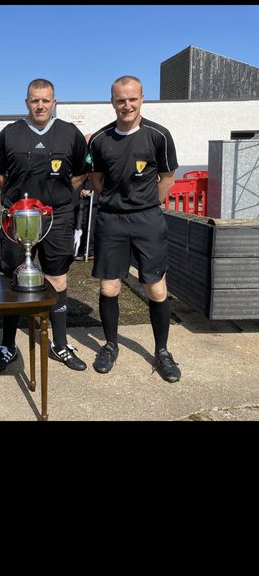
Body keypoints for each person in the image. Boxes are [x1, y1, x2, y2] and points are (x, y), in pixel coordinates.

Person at [0, 79, 91, 374]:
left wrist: (56, 201)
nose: (40, 105)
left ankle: (59, 344)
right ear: (26, 102)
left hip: (57, 218)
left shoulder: (69, 133)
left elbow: (80, 174)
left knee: (57, 278)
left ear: (54, 101)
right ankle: (7, 345)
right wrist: (22, 204)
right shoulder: (9, 134)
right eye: (35, 100)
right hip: (18, 217)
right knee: (11, 280)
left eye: (46, 100)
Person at [88, 75, 181, 382]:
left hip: (147, 220)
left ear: (142, 99)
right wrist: (116, 203)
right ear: (112, 101)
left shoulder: (159, 135)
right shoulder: (100, 139)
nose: (126, 105)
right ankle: (111, 345)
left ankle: (162, 351)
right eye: (120, 100)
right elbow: (96, 181)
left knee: (155, 288)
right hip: (111, 220)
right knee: (109, 287)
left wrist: (146, 203)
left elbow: (168, 178)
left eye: (132, 99)